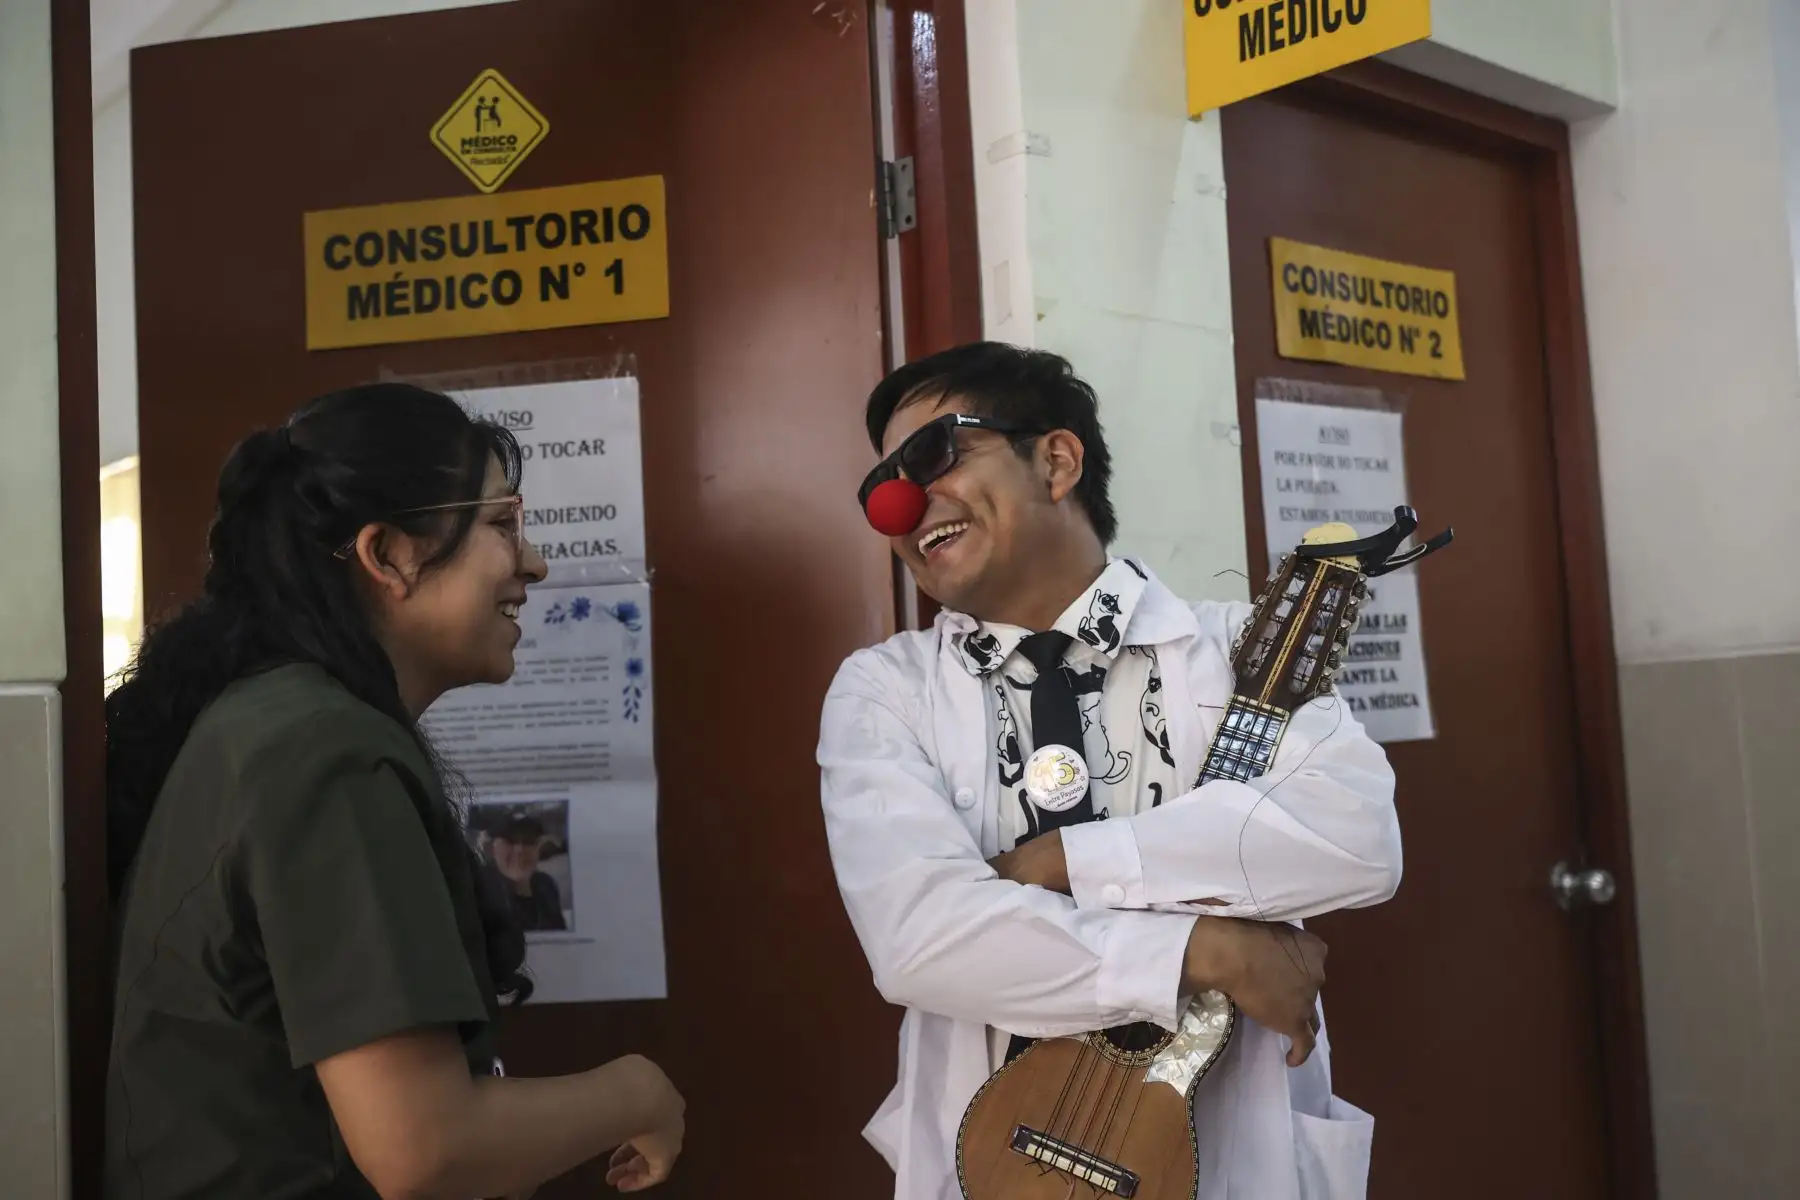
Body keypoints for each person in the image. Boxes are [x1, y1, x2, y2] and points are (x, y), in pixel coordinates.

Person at [817, 344, 1403, 1199]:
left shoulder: (1237, 650)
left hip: (1233, 1165)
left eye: (934, 455)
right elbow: (923, 940)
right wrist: (1205, 947)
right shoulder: (885, 689)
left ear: (1056, 460)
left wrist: (1071, 861)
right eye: (884, 488)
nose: (905, 505)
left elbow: (1356, 841)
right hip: (995, 1167)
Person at [105, 383, 683, 1198]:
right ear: (388, 556)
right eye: (502, 524)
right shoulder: (327, 752)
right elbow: (426, 1151)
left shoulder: (274, 722)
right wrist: (639, 1091)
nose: (535, 561)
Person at [486, 812, 570, 933]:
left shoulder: (546, 885)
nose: (519, 849)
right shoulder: (480, 891)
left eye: (528, 841)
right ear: (492, 849)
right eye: (510, 841)